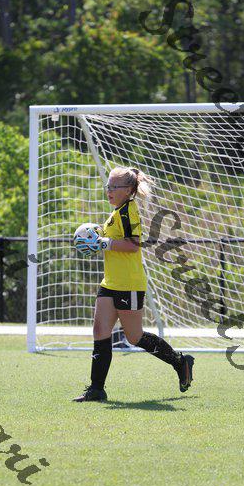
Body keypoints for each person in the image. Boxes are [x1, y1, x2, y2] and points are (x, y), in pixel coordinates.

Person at [73, 166, 194, 402]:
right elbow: (112, 241)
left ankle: (180, 362)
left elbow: (133, 244)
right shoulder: (116, 212)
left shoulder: (129, 211)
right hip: (110, 282)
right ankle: (96, 389)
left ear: (128, 190)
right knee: (100, 332)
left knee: (134, 337)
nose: (108, 190)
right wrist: (95, 237)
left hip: (128, 284)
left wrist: (104, 243)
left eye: (114, 187)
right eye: (107, 186)